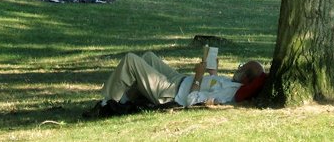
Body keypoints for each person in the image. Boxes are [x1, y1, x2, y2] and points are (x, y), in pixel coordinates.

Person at [82, 52, 267, 118]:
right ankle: (123, 99)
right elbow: (212, 87)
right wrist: (213, 73)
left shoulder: (230, 94)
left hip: (172, 91)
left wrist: (198, 75)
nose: (239, 67)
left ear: (246, 78)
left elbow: (192, 100)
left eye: (242, 68)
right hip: (179, 80)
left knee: (131, 61)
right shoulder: (234, 85)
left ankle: (106, 103)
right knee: (148, 57)